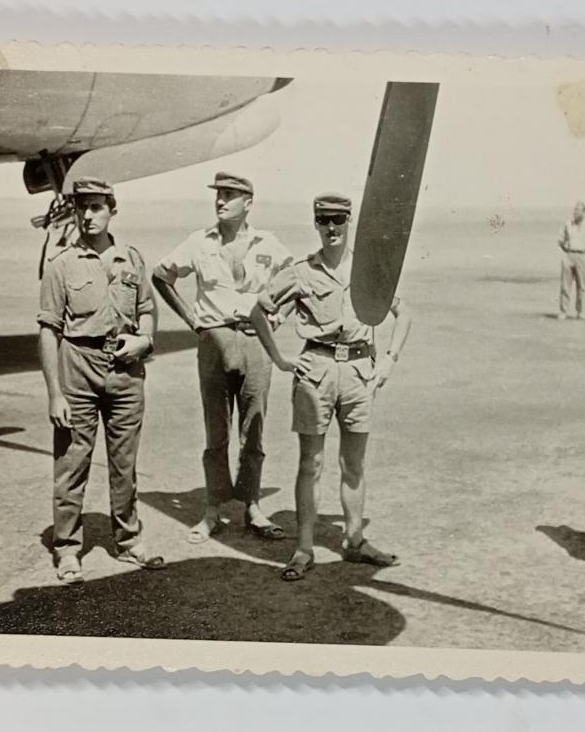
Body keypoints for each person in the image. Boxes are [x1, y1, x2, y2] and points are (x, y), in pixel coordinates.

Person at [249, 193, 413, 581]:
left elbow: (403, 312)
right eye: (324, 221)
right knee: (312, 463)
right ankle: (304, 549)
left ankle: (354, 540)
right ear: (316, 224)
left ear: (350, 221)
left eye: (339, 220)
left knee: (353, 465)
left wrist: (389, 359)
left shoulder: (370, 269)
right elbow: (259, 311)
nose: (332, 228)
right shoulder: (301, 270)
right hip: (315, 371)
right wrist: (279, 358)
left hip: (359, 372)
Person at [152, 171, 294, 543]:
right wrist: (192, 321)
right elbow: (161, 275)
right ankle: (213, 509)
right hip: (213, 341)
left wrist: (277, 318)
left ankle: (252, 507)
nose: (220, 201)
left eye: (230, 195)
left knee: (254, 428)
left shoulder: (269, 243)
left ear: (248, 202)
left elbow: (296, 279)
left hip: (254, 342)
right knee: (216, 431)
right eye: (218, 195)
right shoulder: (199, 242)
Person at [37, 177, 165, 584]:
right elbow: (48, 330)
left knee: (124, 463)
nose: (87, 215)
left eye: (96, 207)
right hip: (78, 366)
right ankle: (68, 549)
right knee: (72, 462)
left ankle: (128, 540)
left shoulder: (131, 259)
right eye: (81, 207)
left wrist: (143, 341)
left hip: (126, 371)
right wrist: (55, 393)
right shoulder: (61, 265)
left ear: (113, 209)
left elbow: (147, 309)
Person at [557, 200, 585, 319]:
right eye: (574, 209)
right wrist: (567, 249)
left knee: (582, 285)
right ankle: (564, 311)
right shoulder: (567, 224)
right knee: (565, 285)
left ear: (584, 212)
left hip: (582, 257)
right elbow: (560, 239)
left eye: (578, 210)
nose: (575, 212)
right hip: (569, 255)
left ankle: (580, 312)